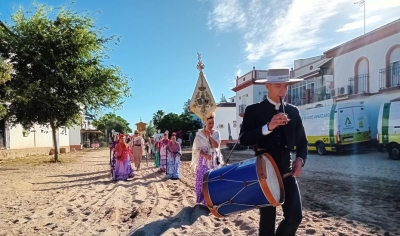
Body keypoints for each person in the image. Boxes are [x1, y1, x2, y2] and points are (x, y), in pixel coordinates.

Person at [239, 68, 308, 236]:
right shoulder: (253, 111)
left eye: (286, 86)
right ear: (268, 86)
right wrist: (268, 127)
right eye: (278, 86)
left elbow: (302, 142)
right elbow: (243, 139)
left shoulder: (293, 111)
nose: (283, 91)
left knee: (295, 217)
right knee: (267, 223)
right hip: (264, 175)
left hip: (287, 173)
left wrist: (300, 159)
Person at [191, 112, 224, 205]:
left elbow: (216, 145)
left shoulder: (216, 133)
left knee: (214, 179)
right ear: (205, 122)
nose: (211, 125)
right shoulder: (199, 135)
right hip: (204, 160)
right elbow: (197, 149)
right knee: (202, 177)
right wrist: (205, 156)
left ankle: (213, 199)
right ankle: (203, 200)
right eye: (209, 123)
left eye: (213, 123)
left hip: (214, 159)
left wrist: (210, 136)